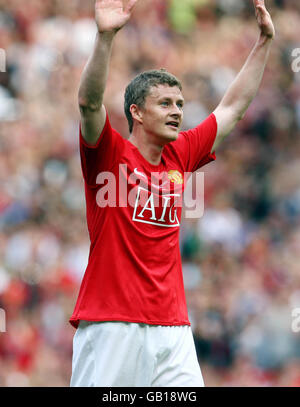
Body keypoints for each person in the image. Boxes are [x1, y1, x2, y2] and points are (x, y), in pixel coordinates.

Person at [70, 0, 275, 387]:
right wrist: (105, 37)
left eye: (180, 104)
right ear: (137, 112)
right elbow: (89, 102)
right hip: (113, 324)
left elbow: (232, 108)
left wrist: (263, 42)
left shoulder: (180, 154)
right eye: (164, 103)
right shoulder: (109, 153)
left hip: (173, 327)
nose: (177, 111)